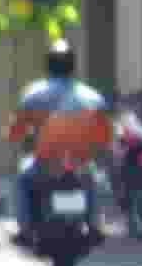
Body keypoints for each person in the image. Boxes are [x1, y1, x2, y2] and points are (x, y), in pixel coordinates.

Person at [9, 42, 114, 243]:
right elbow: (104, 137)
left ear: (48, 65)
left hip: (45, 165)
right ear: (73, 66)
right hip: (78, 165)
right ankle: (94, 225)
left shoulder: (33, 94)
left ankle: (24, 229)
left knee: (22, 179)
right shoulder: (92, 96)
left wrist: (21, 137)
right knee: (92, 180)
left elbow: (17, 132)